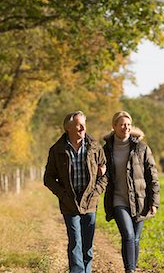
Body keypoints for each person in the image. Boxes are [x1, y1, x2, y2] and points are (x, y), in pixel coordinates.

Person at [44, 111, 107, 273]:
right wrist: (63, 195)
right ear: (68, 128)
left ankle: (86, 270)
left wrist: (96, 191)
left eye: (84, 124)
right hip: (69, 202)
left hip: (90, 201)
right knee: (75, 242)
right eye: (78, 125)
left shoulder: (95, 147)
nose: (83, 127)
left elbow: (106, 174)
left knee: (87, 244)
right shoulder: (57, 150)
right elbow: (48, 178)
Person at [103, 111, 160, 273]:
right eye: (121, 124)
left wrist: (154, 203)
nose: (125, 127)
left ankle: (132, 268)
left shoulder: (142, 148)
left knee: (135, 238)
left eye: (128, 124)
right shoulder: (106, 149)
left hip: (140, 200)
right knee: (128, 235)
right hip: (118, 200)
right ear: (114, 126)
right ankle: (130, 270)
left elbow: (153, 177)